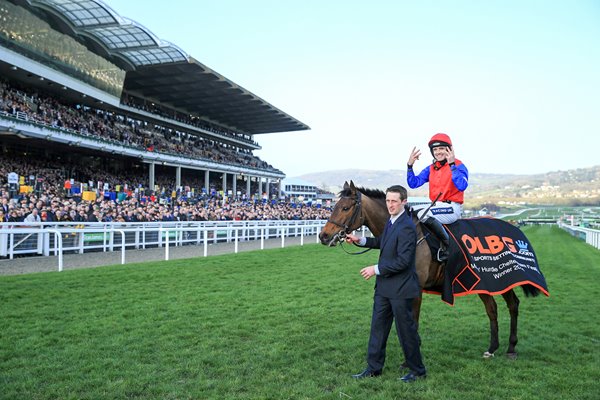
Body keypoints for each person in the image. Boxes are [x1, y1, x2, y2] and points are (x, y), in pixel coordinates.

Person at [345, 185, 426, 383]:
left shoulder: (407, 226)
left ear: (403, 202)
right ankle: (374, 368)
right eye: (388, 201)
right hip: (384, 288)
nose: (390, 205)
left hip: (400, 289)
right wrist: (361, 240)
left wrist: (376, 269)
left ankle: (418, 371)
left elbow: (403, 261)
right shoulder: (392, 221)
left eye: (394, 201)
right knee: (378, 329)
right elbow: (384, 242)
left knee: (406, 332)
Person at [406, 132, 468, 261]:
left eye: (441, 148)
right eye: (435, 149)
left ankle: (447, 247)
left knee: (423, 214)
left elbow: (462, 186)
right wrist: (410, 166)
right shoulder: (431, 168)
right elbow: (413, 183)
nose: (438, 152)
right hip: (435, 206)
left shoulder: (459, 165)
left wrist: (452, 165)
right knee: (409, 212)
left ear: (449, 149)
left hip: (452, 208)